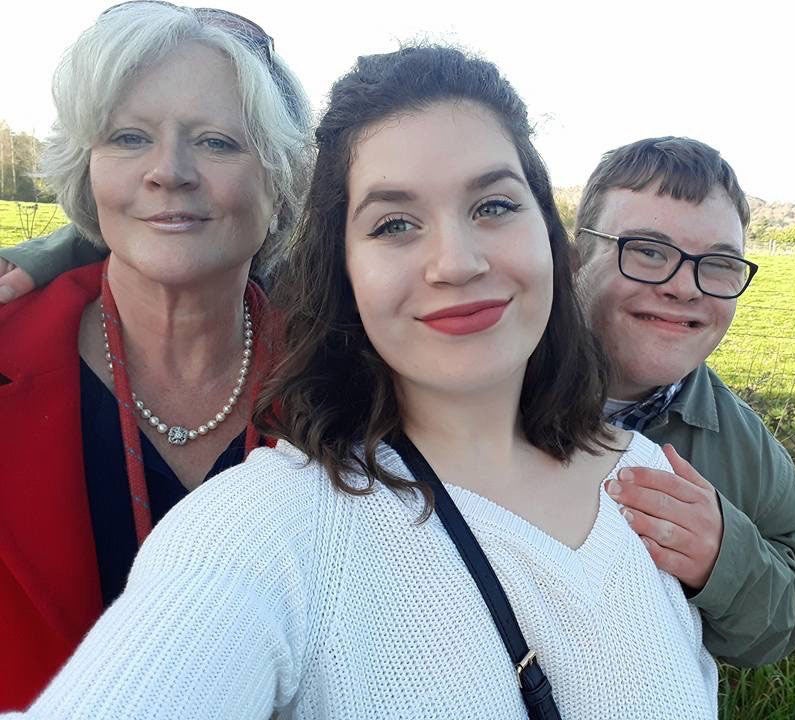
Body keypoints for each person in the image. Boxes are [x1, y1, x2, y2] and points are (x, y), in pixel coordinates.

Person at [11, 45, 719, 719]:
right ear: (342, 273)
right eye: (395, 224)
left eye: (494, 206)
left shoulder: (649, 483)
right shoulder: (273, 525)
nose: (456, 262)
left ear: (552, 237)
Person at [0, 2, 312, 709]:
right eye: (130, 137)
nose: (169, 172)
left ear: (281, 177)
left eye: (217, 142)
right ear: (88, 168)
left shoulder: (349, 389)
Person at [574, 137, 795, 666]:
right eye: (648, 251)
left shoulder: (752, 460)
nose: (685, 288)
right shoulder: (477, 390)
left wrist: (723, 558)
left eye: (720, 263)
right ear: (576, 257)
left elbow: (776, 631)